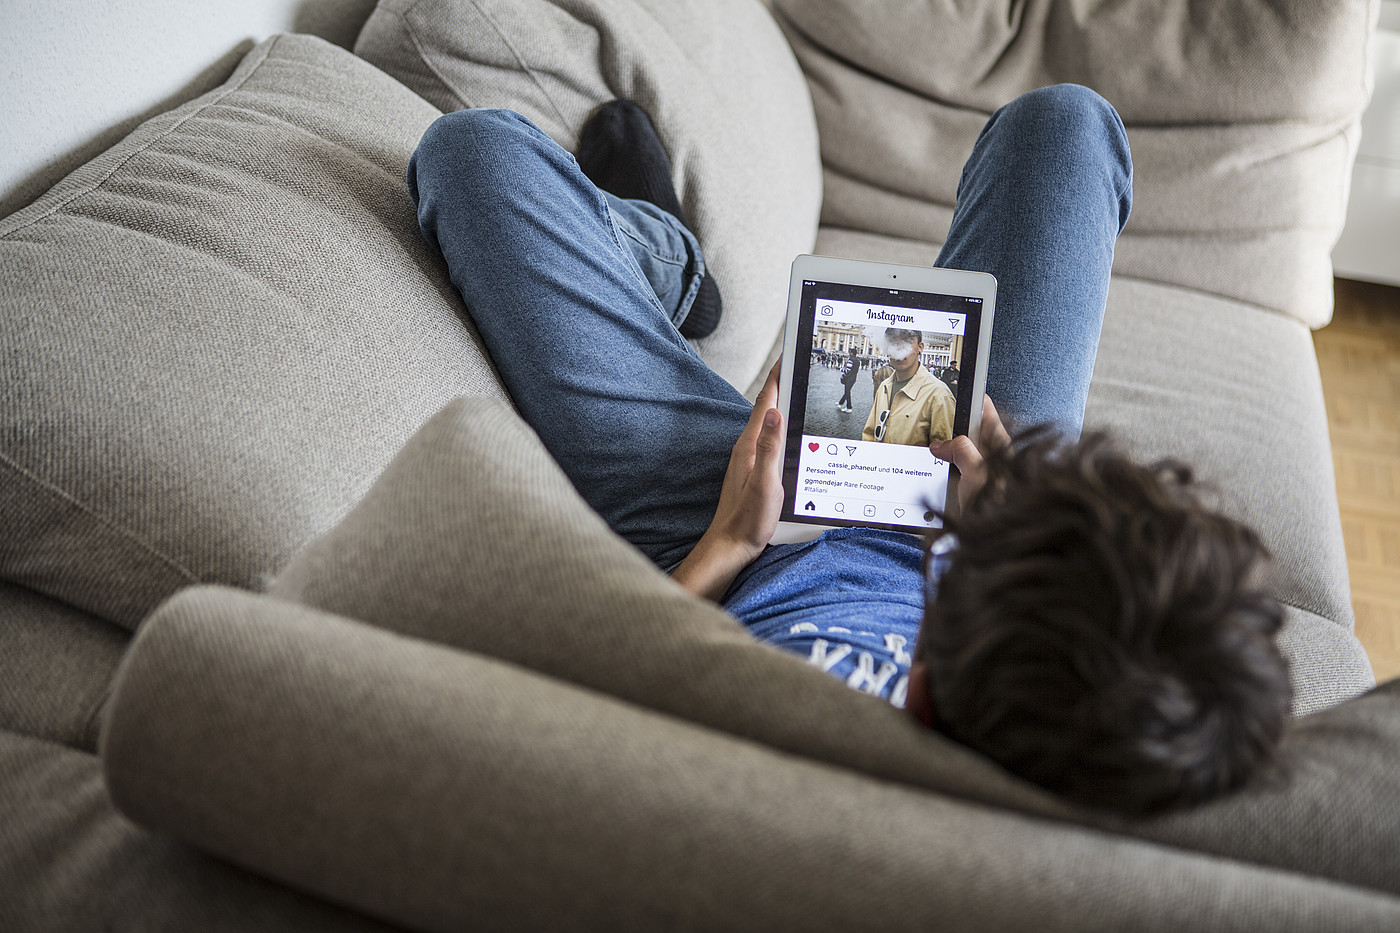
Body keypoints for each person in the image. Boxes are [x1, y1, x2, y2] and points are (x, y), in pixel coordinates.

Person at [406, 89, 1290, 815]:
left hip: (722, 533)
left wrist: (728, 541)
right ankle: (665, 267)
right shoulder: (1098, 718)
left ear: (929, 691)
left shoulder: (770, 791)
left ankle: (667, 261)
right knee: (1064, 126)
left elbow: (585, 711)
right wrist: (1000, 529)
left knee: (473, 155)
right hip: (996, 547)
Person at [861, 328, 956, 446]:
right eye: (893, 342)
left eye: (907, 341)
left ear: (920, 347)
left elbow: (942, 452)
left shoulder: (939, 395)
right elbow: (869, 434)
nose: (899, 348)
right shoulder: (884, 386)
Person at [837, 348, 859, 412]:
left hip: (849, 378)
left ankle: (849, 407)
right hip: (854, 378)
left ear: (851, 353)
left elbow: (847, 370)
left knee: (847, 392)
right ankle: (840, 403)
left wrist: (839, 369)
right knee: (847, 391)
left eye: (850, 352)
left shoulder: (851, 360)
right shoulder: (857, 360)